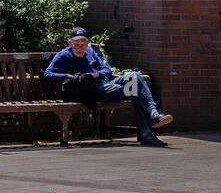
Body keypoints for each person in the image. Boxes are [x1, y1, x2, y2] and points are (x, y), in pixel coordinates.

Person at [44, 28, 173, 148]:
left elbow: (107, 71)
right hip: (95, 91)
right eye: (76, 44)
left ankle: (152, 116)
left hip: (107, 84)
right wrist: (69, 76)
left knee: (135, 76)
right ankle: (150, 126)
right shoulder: (63, 56)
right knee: (136, 90)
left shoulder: (89, 52)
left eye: (82, 44)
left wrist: (97, 74)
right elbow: (47, 74)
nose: (79, 47)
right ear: (69, 43)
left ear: (87, 44)